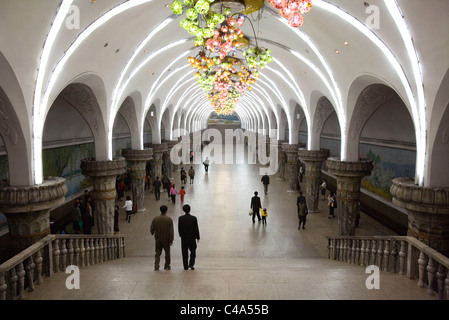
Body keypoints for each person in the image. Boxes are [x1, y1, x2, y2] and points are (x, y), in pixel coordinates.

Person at [150, 205, 174, 271]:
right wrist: (171, 239)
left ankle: (156, 266)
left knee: (157, 253)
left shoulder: (155, 219)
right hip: (166, 239)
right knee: (167, 253)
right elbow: (171, 230)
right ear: (166, 211)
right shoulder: (169, 220)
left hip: (158, 239)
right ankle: (167, 265)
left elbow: (152, 228)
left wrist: (152, 232)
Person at [178, 204, 200, 270]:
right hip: (192, 237)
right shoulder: (194, 218)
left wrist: (181, 235)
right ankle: (191, 263)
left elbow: (180, 228)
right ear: (190, 209)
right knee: (193, 251)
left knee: (184, 252)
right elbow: (196, 228)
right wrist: (197, 237)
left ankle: (185, 266)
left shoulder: (181, 218)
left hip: (184, 238)